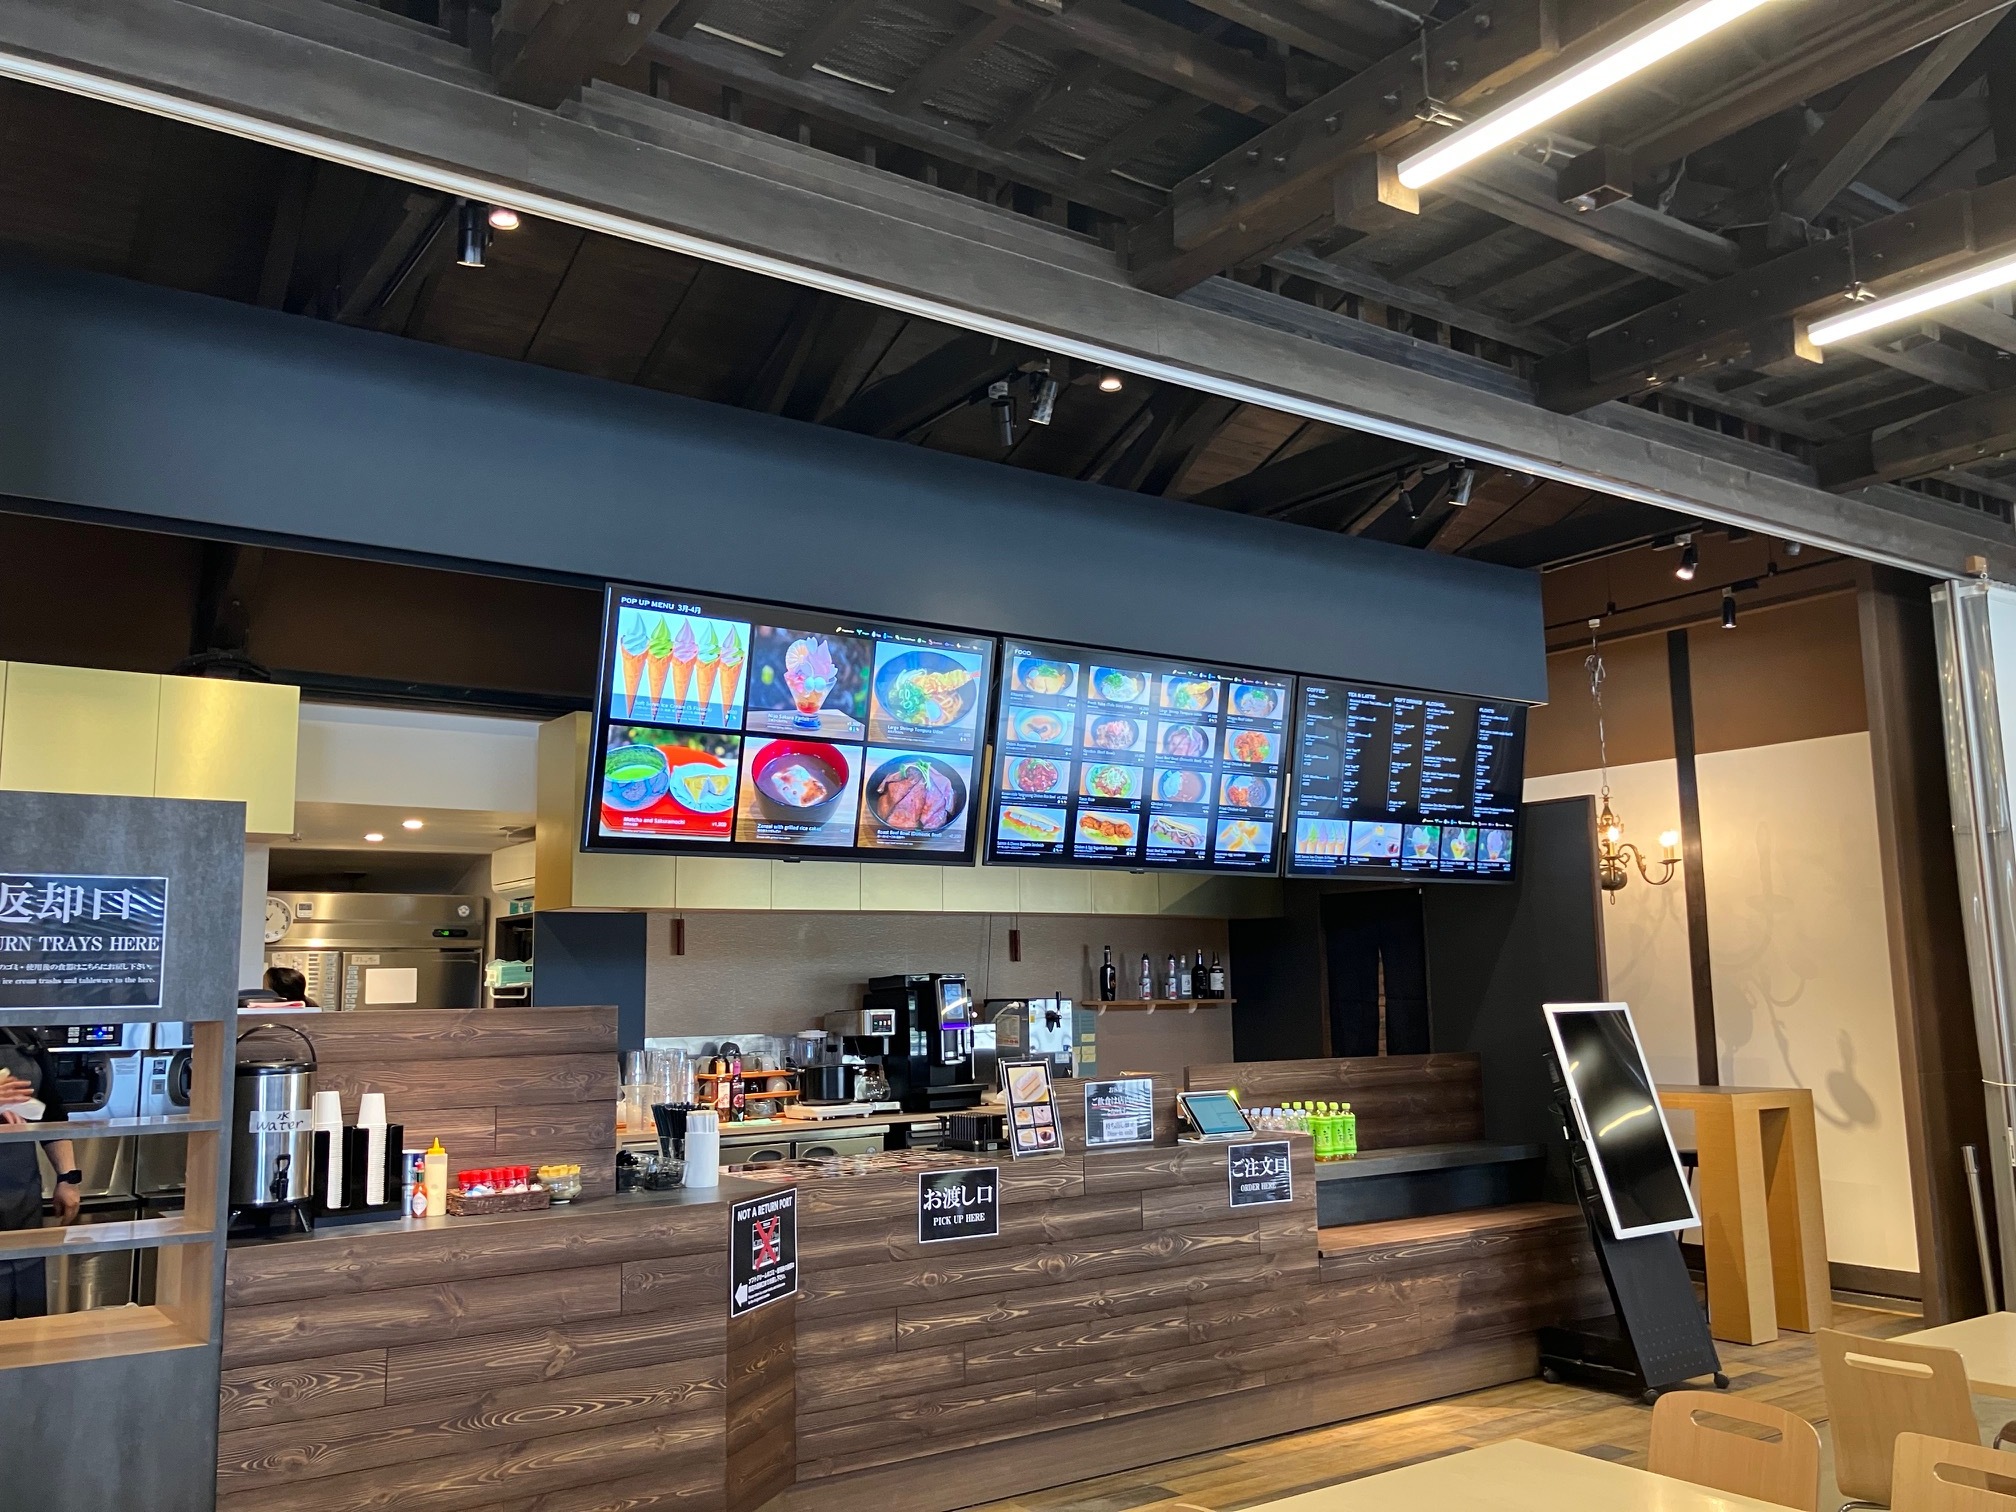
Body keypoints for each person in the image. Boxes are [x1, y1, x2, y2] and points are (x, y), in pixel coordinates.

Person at [0, 1029, 81, 1319]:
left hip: (20, 1200)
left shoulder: (21, 1033)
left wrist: (67, 1177)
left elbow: (52, 1113)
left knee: (26, 1321)